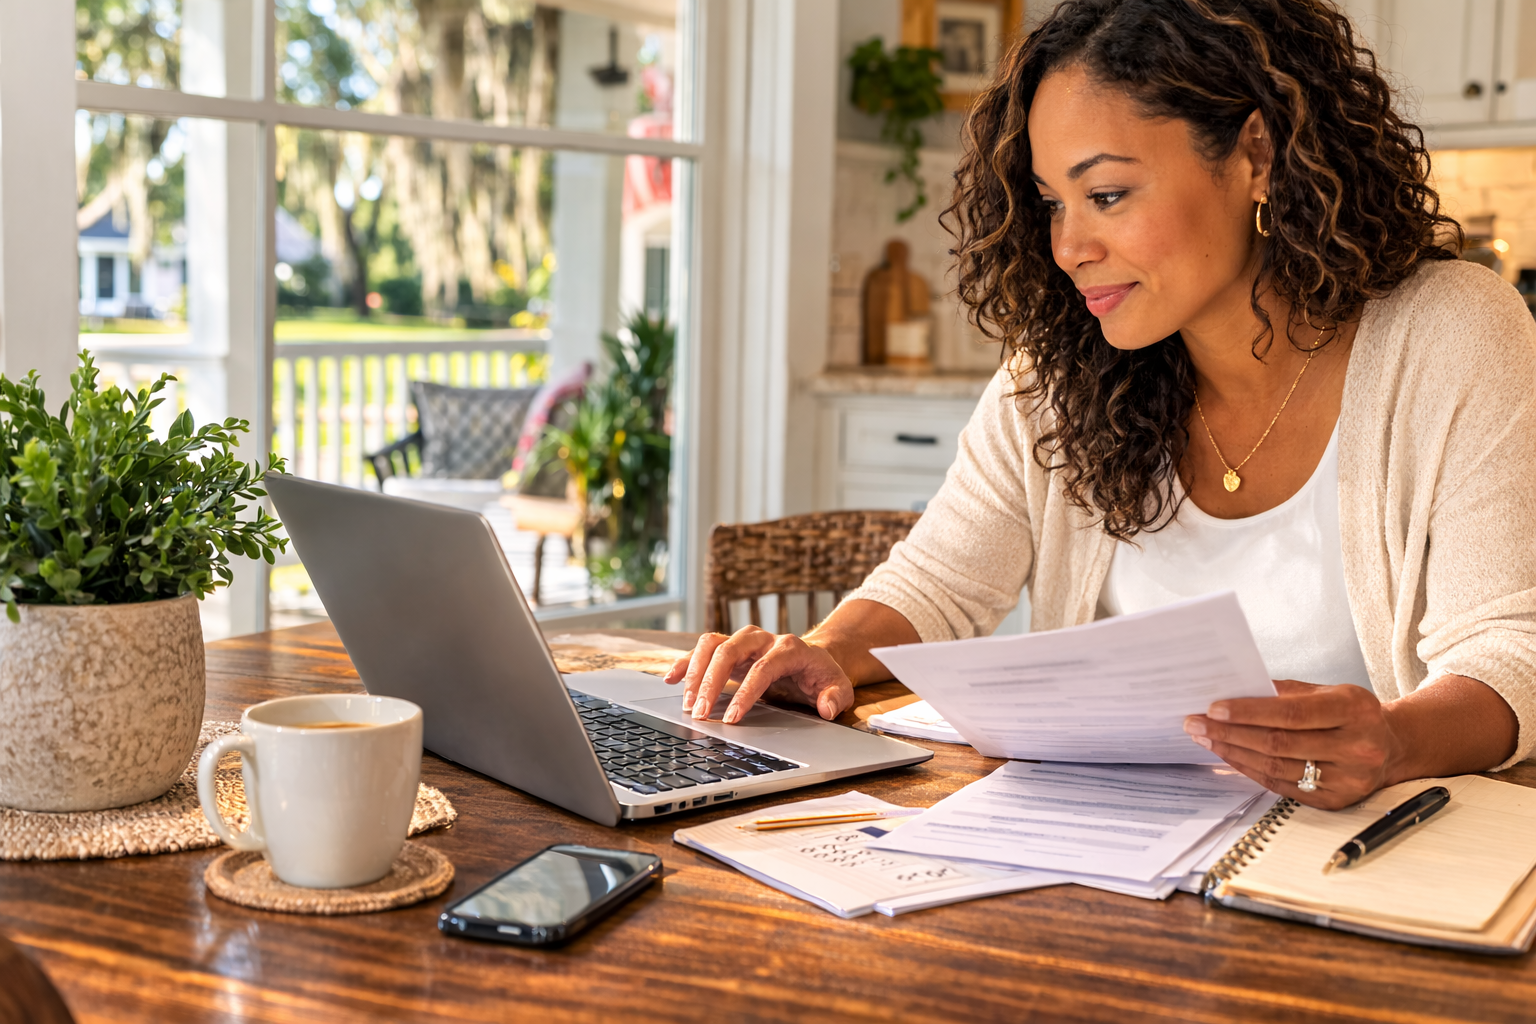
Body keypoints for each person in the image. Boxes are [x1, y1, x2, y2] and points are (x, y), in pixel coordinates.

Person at [666, 0, 1536, 809]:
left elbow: (1510, 655)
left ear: (1257, 155)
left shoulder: (1450, 332)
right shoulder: (1056, 373)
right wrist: (824, 648)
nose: (1069, 247)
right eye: (1051, 204)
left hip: (1353, 865)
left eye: (1108, 194)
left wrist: (1391, 741)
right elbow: (937, 583)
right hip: (1109, 863)